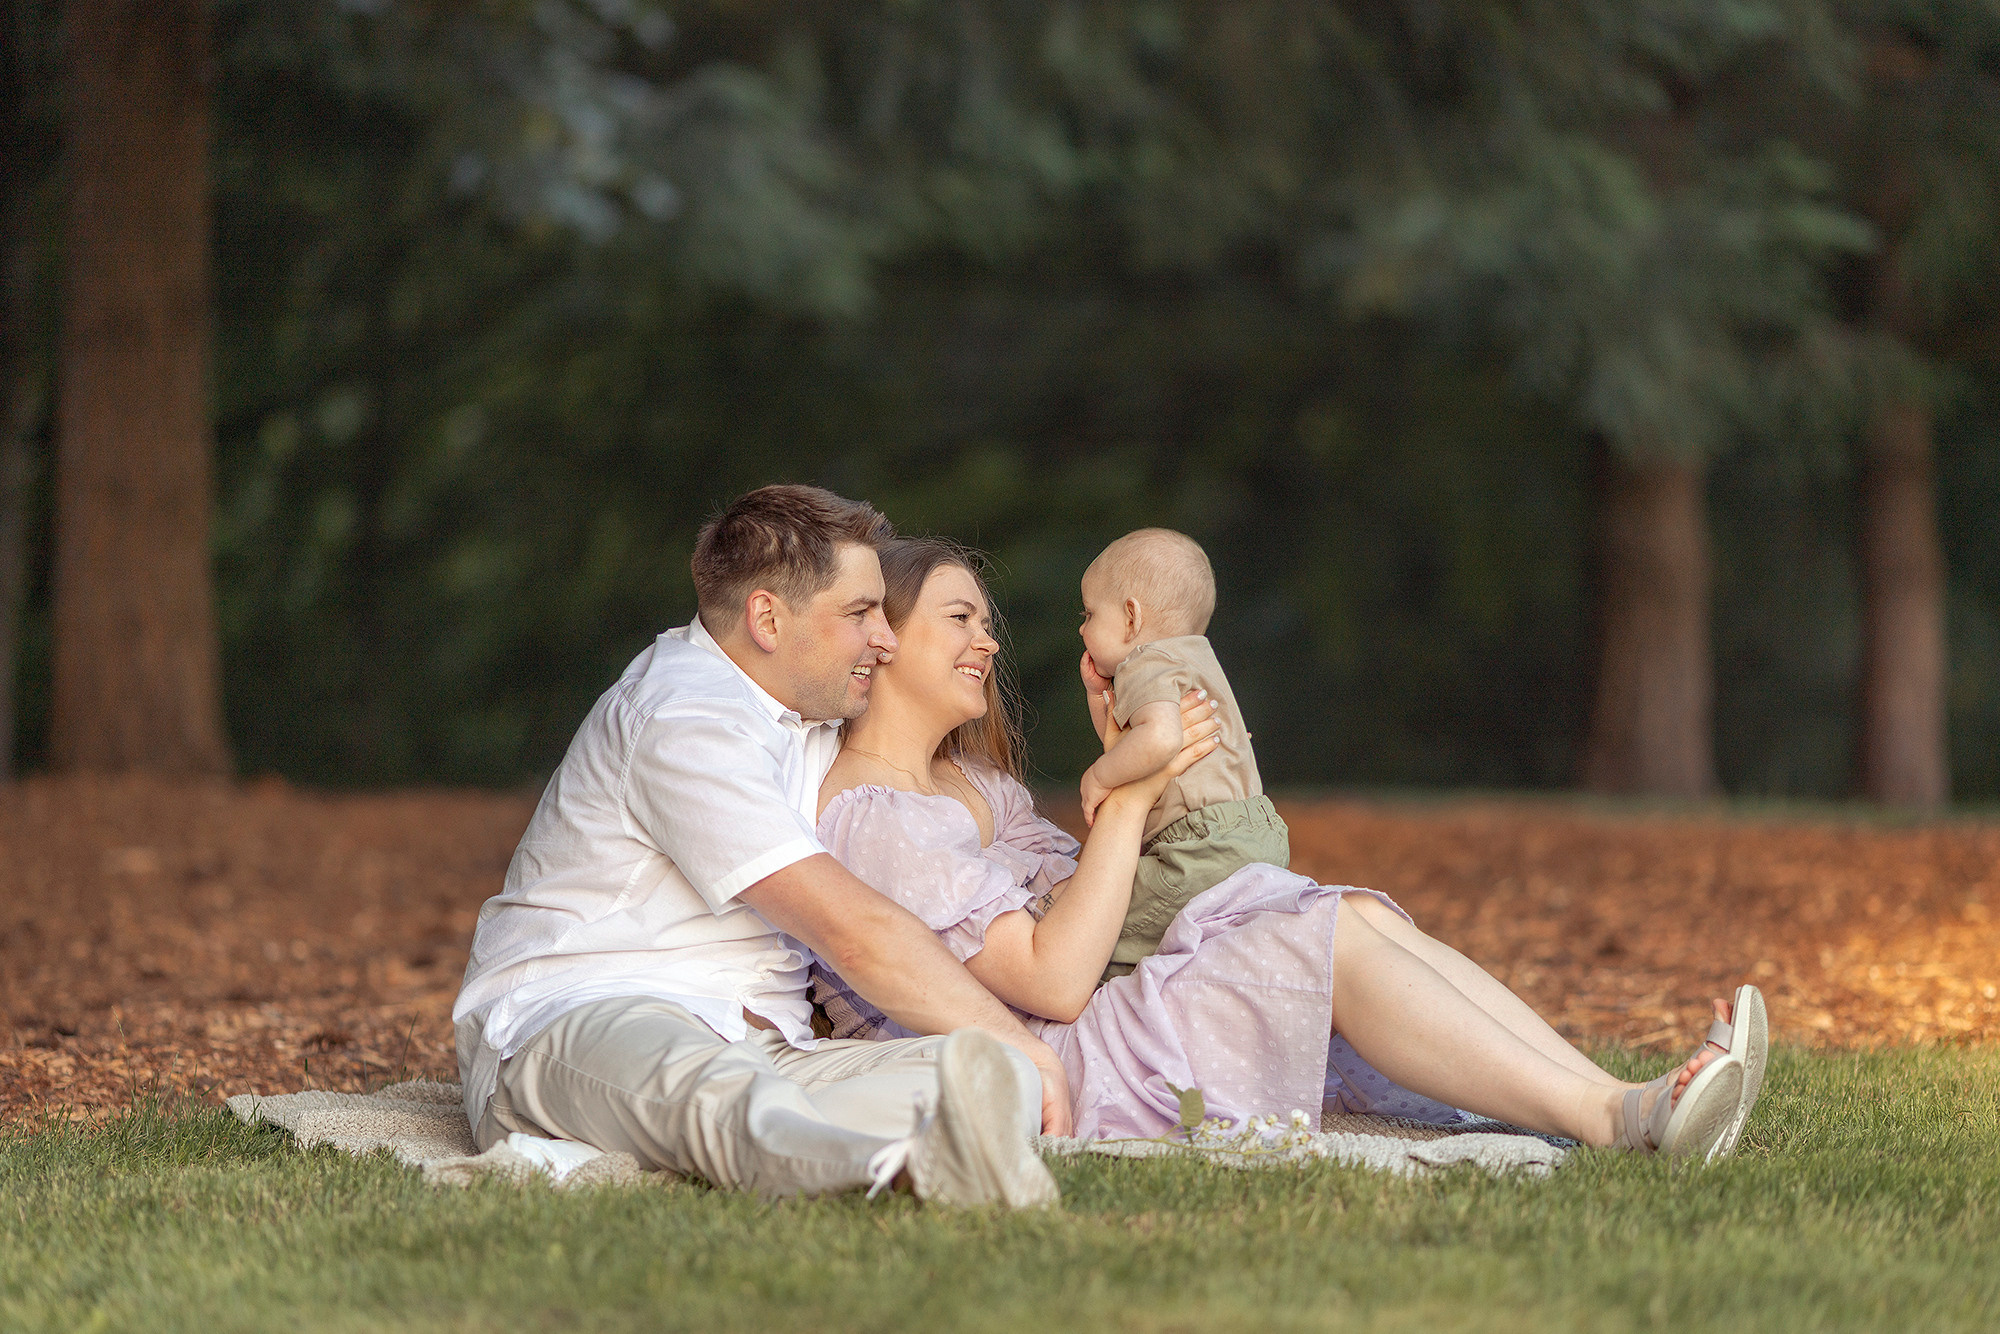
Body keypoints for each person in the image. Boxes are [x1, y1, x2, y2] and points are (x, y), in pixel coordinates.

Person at [811, 537, 1769, 1157]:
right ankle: (1614, 1121)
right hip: (1063, 1056)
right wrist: (1139, 791)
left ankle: (1623, 1098)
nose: (989, 642)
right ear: (883, 642)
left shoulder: (984, 790)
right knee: (1316, 935)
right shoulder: (874, 817)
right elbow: (1056, 980)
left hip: (1108, 998)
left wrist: (1141, 780)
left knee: (1340, 909)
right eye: (961, 619)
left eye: (986, 620)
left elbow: (1104, 908)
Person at [452, 485, 1080, 1208]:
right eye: (860, 613)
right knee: (714, 1090)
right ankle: (902, 1166)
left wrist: (1015, 1058)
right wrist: (1022, 1038)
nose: (886, 638)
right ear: (767, 618)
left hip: (770, 1047)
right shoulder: (681, 717)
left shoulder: (806, 720)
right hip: (585, 1016)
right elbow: (852, 933)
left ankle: (913, 1142)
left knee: (983, 1071)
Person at [1076, 528, 1290, 980]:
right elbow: (1128, 743)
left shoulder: (1145, 661)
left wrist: (1098, 776)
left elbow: (1157, 742)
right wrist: (1100, 698)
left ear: (1131, 618)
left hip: (1198, 845)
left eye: (1089, 613)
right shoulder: (1196, 659)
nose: (1082, 628)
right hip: (1259, 831)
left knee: (1095, 937)